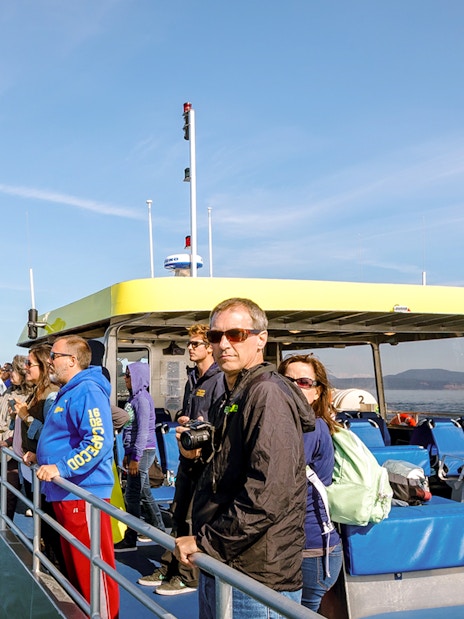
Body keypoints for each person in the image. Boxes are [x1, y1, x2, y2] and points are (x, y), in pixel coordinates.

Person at [174, 298, 315, 619]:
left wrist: (207, 543)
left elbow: (268, 492)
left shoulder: (266, 394)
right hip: (228, 563)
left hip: (255, 575)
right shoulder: (233, 394)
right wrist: (195, 457)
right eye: (215, 336)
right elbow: (226, 472)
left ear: (260, 339)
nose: (224, 344)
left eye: (235, 334)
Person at [32, 336, 119, 619]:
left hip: (82, 494)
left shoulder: (87, 391)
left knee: (94, 572)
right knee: (78, 573)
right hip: (66, 493)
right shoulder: (71, 391)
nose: (49, 361)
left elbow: (97, 440)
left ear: (72, 360)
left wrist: (61, 468)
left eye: (54, 356)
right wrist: (41, 458)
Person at [138, 324, 224, 595]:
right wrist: (187, 421)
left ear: (209, 347)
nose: (190, 348)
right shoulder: (193, 379)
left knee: (191, 518)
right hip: (188, 460)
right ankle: (169, 565)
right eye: (189, 343)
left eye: (196, 344)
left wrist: (201, 425)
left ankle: (189, 575)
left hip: (207, 462)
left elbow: (220, 424)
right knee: (177, 514)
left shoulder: (219, 380)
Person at [278, 354, 343, 615]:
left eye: (303, 382)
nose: (294, 387)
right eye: (286, 380)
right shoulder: (289, 427)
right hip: (305, 546)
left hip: (311, 550)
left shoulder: (310, 429)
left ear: (317, 393)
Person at [114, 361, 165, 552]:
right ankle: (158, 528)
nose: (125, 379)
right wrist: (127, 453)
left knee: (132, 495)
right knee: (144, 491)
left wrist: (135, 457)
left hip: (144, 451)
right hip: (135, 451)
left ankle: (131, 537)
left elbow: (143, 431)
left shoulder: (142, 399)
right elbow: (129, 429)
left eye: (128, 376)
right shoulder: (132, 400)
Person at [0, 355, 33, 521]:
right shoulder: (8, 392)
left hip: (16, 451)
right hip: (6, 446)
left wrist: (8, 440)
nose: (11, 373)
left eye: (14, 369)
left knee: (11, 491)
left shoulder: (30, 396)